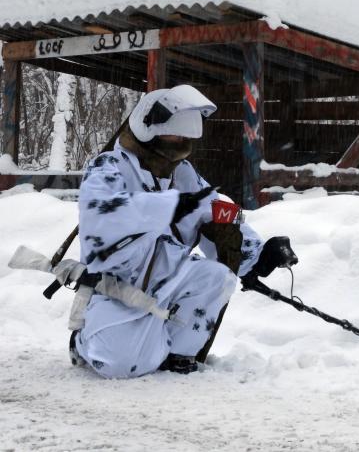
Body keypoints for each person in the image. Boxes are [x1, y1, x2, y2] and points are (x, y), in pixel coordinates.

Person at [71, 85, 296, 378]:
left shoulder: (181, 171)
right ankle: (83, 341)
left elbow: (214, 210)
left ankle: (176, 355)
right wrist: (169, 206)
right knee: (121, 365)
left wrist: (257, 254)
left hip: (168, 273)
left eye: (185, 135)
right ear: (148, 127)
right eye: (174, 133)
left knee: (217, 278)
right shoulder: (107, 167)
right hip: (116, 283)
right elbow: (105, 213)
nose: (181, 141)